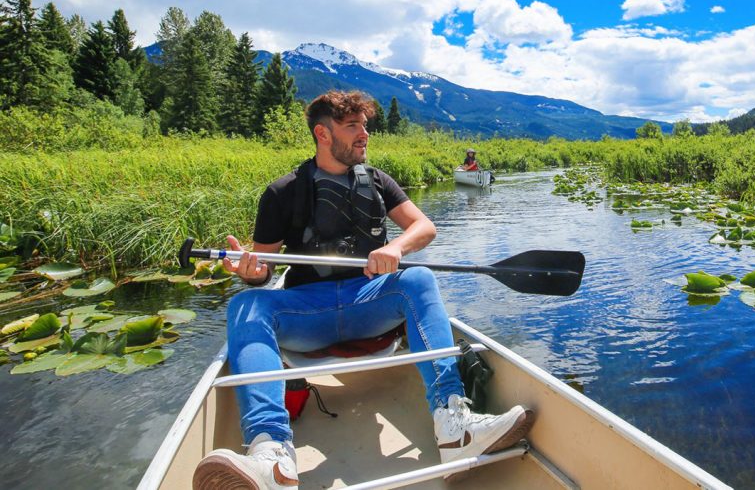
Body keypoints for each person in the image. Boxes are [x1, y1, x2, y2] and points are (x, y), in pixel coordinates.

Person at [193, 90, 534, 490]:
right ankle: (271, 454)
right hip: (308, 315)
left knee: (418, 278)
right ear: (322, 133)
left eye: (365, 126)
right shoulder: (282, 192)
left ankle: (454, 425)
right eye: (352, 126)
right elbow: (262, 270)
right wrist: (248, 271)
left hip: (368, 306)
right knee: (248, 304)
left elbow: (424, 227)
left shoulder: (378, 181)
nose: (364, 135)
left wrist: (396, 247)